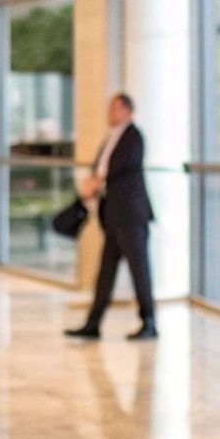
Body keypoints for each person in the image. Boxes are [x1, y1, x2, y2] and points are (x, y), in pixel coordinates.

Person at [66, 93, 157, 340]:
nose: (110, 113)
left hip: (131, 216)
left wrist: (96, 182)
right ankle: (93, 323)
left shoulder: (133, 136)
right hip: (114, 216)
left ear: (127, 110)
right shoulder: (112, 137)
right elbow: (102, 167)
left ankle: (149, 321)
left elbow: (118, 169)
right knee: (105, 272)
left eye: (115, 109)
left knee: (140, 270)